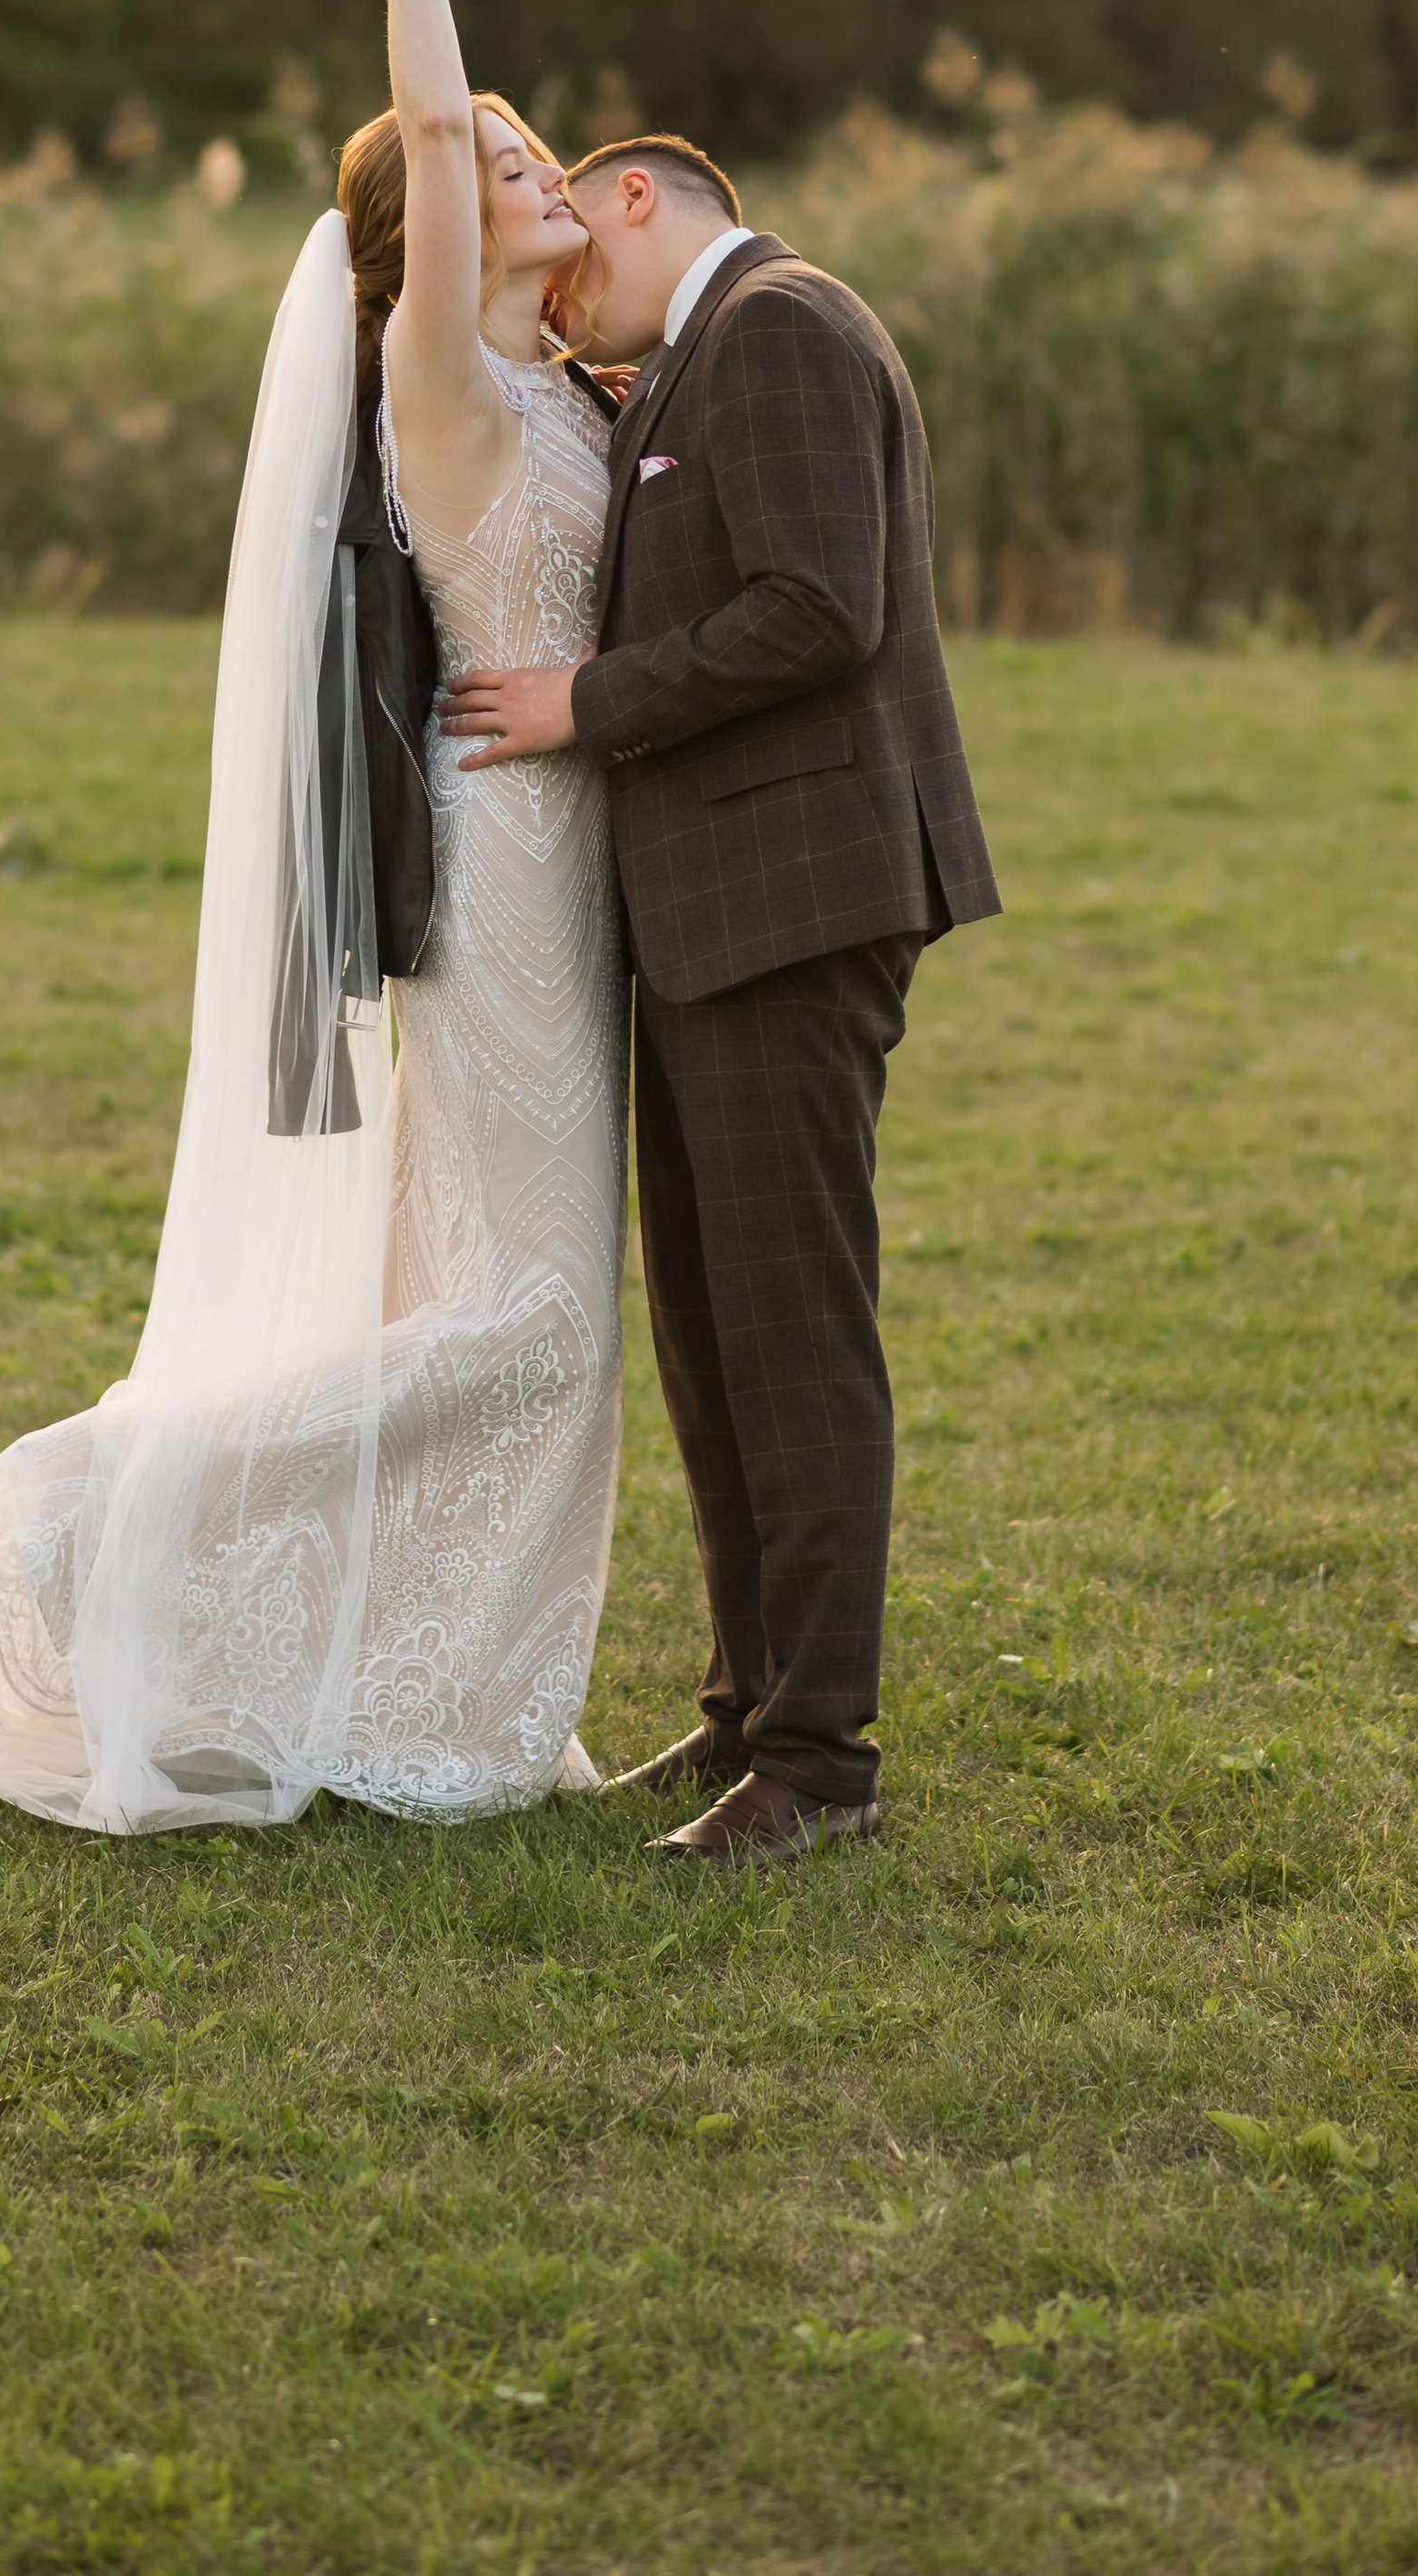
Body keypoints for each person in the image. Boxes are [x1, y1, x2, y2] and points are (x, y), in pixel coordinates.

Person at [0, 0, 628, 1830]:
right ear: (428, 238)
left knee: (510, 1307)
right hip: (502, 875)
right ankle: (104, 1501)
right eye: (492, 160)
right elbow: (410, 110)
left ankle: (430, 1684)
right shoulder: (448, 381)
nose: (533, 166)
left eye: (533, 145)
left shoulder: (572, 390)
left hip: (580, 864)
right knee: (532, 1322)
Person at [440, 134, 1002, 1862]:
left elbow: (819, 609)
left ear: (632, 197)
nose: (560, 293)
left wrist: (585, 701)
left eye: (572, 241)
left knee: (790, 1330)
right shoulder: (697, 351)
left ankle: (823, 1763)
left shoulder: (782, 325)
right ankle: (744, 1716)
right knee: (710, 1331)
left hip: (792, 904)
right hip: (711, 918)